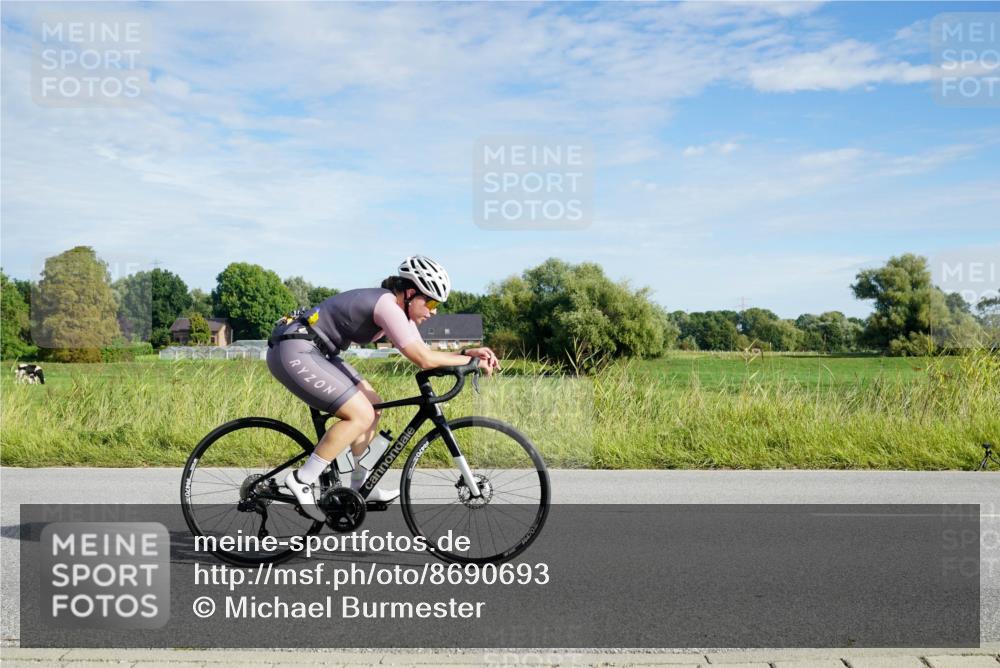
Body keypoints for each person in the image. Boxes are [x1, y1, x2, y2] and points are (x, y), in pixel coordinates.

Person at [266, 255, 499, 521]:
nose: (434, 311)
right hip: (295, 349)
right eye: (431, 302)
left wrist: (466, 352)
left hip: (318, 352)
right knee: (360, 414)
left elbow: (423, 350)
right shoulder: (387, 305)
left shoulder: (399, 312)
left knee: (372, 407)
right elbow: (422, 360)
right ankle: (302, 479)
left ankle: (359, 485)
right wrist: (473, 362)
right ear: (411, 293)